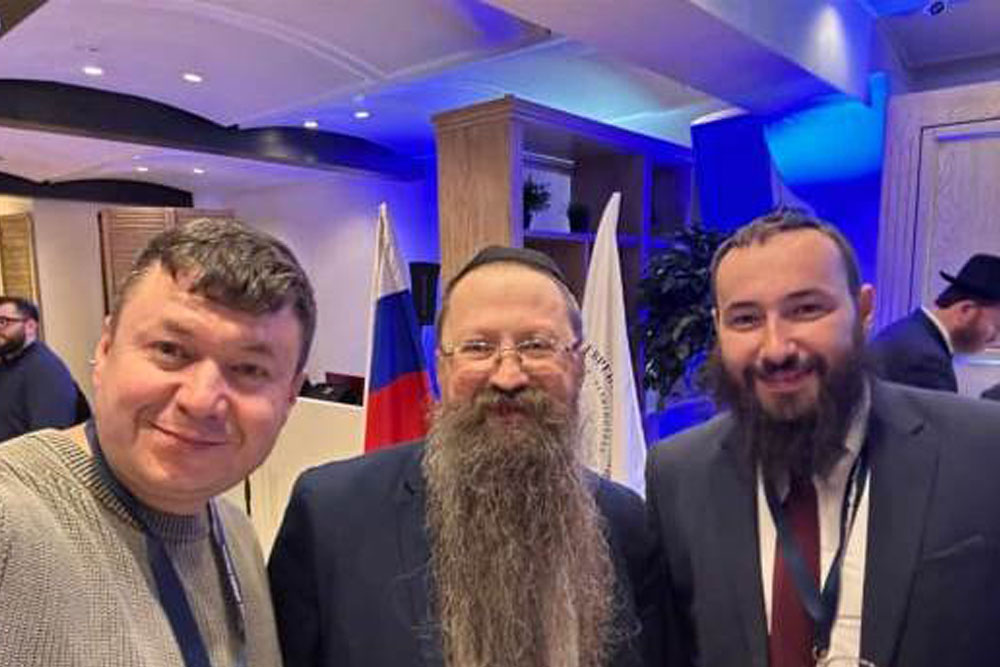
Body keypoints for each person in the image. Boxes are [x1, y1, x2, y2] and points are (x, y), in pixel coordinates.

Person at [268, 246, 661, 667]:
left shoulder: (626, 523)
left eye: (537, 345)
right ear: (441, 367)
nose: (508, 377)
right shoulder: (330, 515)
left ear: (578, 366)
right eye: (477, 347)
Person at [647, 208, 1000, 667]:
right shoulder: (678, 474)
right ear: (718, 328)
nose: (776, 348)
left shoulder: (983, 449)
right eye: (746, 319)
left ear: (864, 311)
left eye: (806, 309)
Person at [0, 218, 316, 666]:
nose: (201, 400)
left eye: (249, 369)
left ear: (289, 397)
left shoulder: (238, 536)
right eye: (170, 350)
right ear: (105, 349)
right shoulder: (11, 516)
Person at [867, 253, 1000, 392]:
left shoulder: (910, 331)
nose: (996, 340)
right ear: (966, 311)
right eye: (997, 327)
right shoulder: (928, 362)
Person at [0, 296, 80, 441]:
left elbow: (49, 440)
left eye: (3, 322)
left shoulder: (45, 370)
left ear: (30, 326)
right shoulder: (8, 362)